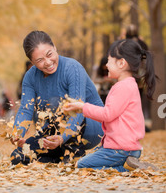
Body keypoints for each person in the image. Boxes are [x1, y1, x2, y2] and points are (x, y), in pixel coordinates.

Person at [10, 30, 104, 165]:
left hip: (90, 126)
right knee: (18, 157)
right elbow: (26, 110)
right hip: (54, 129)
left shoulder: (72, 68)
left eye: (49, 54)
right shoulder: (30, 77)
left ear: (54, 47)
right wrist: (17, 132)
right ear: (32, 62)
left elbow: (77, 110)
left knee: (55, 103)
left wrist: (63, 137)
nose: (48, 62)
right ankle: (56, 156)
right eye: (40, 60)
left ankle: (73, 151)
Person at [64, 38, 157, 172]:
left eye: (109, 60)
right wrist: (81, 108)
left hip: (120, 150)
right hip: (127, 149)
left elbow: (107, 115)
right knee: (89, 161)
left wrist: (82, 107)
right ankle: (129, 165)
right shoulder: (129, 85)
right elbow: (110, 114)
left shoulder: (123, 87)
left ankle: (129, 169)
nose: (106, 64)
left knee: (82, 164)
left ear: (121, 63)